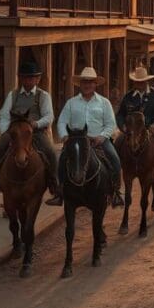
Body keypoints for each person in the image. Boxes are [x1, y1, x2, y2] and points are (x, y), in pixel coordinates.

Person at [51, 67, 123, 207]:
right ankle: (60, 193)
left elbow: (110, 124)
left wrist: (102, 137)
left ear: (95, 84)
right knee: (61, 160)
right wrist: (65, 136)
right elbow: (61, 121)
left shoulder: (104, 102)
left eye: (90, 82)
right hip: (75, 141)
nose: (87, 85)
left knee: (115, 159)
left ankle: (115, 193)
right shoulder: (71, 103)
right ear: (80, 84)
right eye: (84, 82)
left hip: (99, 140)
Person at [0, 62, 60, 204]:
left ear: (37, 79)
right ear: (21, 79)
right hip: (15, 132)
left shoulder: (43, 96)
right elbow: (3, 114)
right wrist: (6, 131)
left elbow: (49, 116)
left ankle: (54, 183)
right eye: (26, 78)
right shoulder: (13, 95)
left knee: (51, 152)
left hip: (35, 132)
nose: (29, 81)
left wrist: (36, 124)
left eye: (32, 78)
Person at [116, 66, 154, 174]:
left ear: (147, 81)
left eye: (142, 81)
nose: (139, 84)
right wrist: (122, 126)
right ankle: (117, 166)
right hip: (132, 129)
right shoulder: (128, 97)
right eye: (137, 82)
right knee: (118, 141)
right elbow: (120, 114)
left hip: (152, 126)